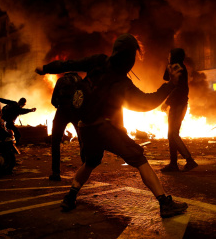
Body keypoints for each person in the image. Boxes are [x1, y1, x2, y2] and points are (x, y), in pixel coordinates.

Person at [35, 33, 188, 218]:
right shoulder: (122, 82)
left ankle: (70, 196)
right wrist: (170, 84)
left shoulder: (99, 61)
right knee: (139, 159)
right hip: (105, 128)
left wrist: (45, 69)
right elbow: (147, 103)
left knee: (91, 162)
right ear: (131, 57)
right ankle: (165, 203)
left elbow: (70, 64)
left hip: (85, 127)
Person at [160, 48, 198, 172]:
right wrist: (168, 65)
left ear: (175, 56)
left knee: (173, 134)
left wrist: (167, 102)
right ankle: (173, 164)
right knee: (171, 135)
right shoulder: (176, 67)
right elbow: (166, 78)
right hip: (177, 105)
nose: (168, 57)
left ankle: (189, 160)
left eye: (170, 55)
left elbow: (178, 88)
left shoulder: (179, 68)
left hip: (178, 105)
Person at [49, 72, 83, 181]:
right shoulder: (80, 80)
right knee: (82, 140)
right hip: (76, 112)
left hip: (62, 110)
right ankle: (85, 169)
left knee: (55, 141)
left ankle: (56, 173)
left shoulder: (61, 80)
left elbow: (54, 100)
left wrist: (58, 104)